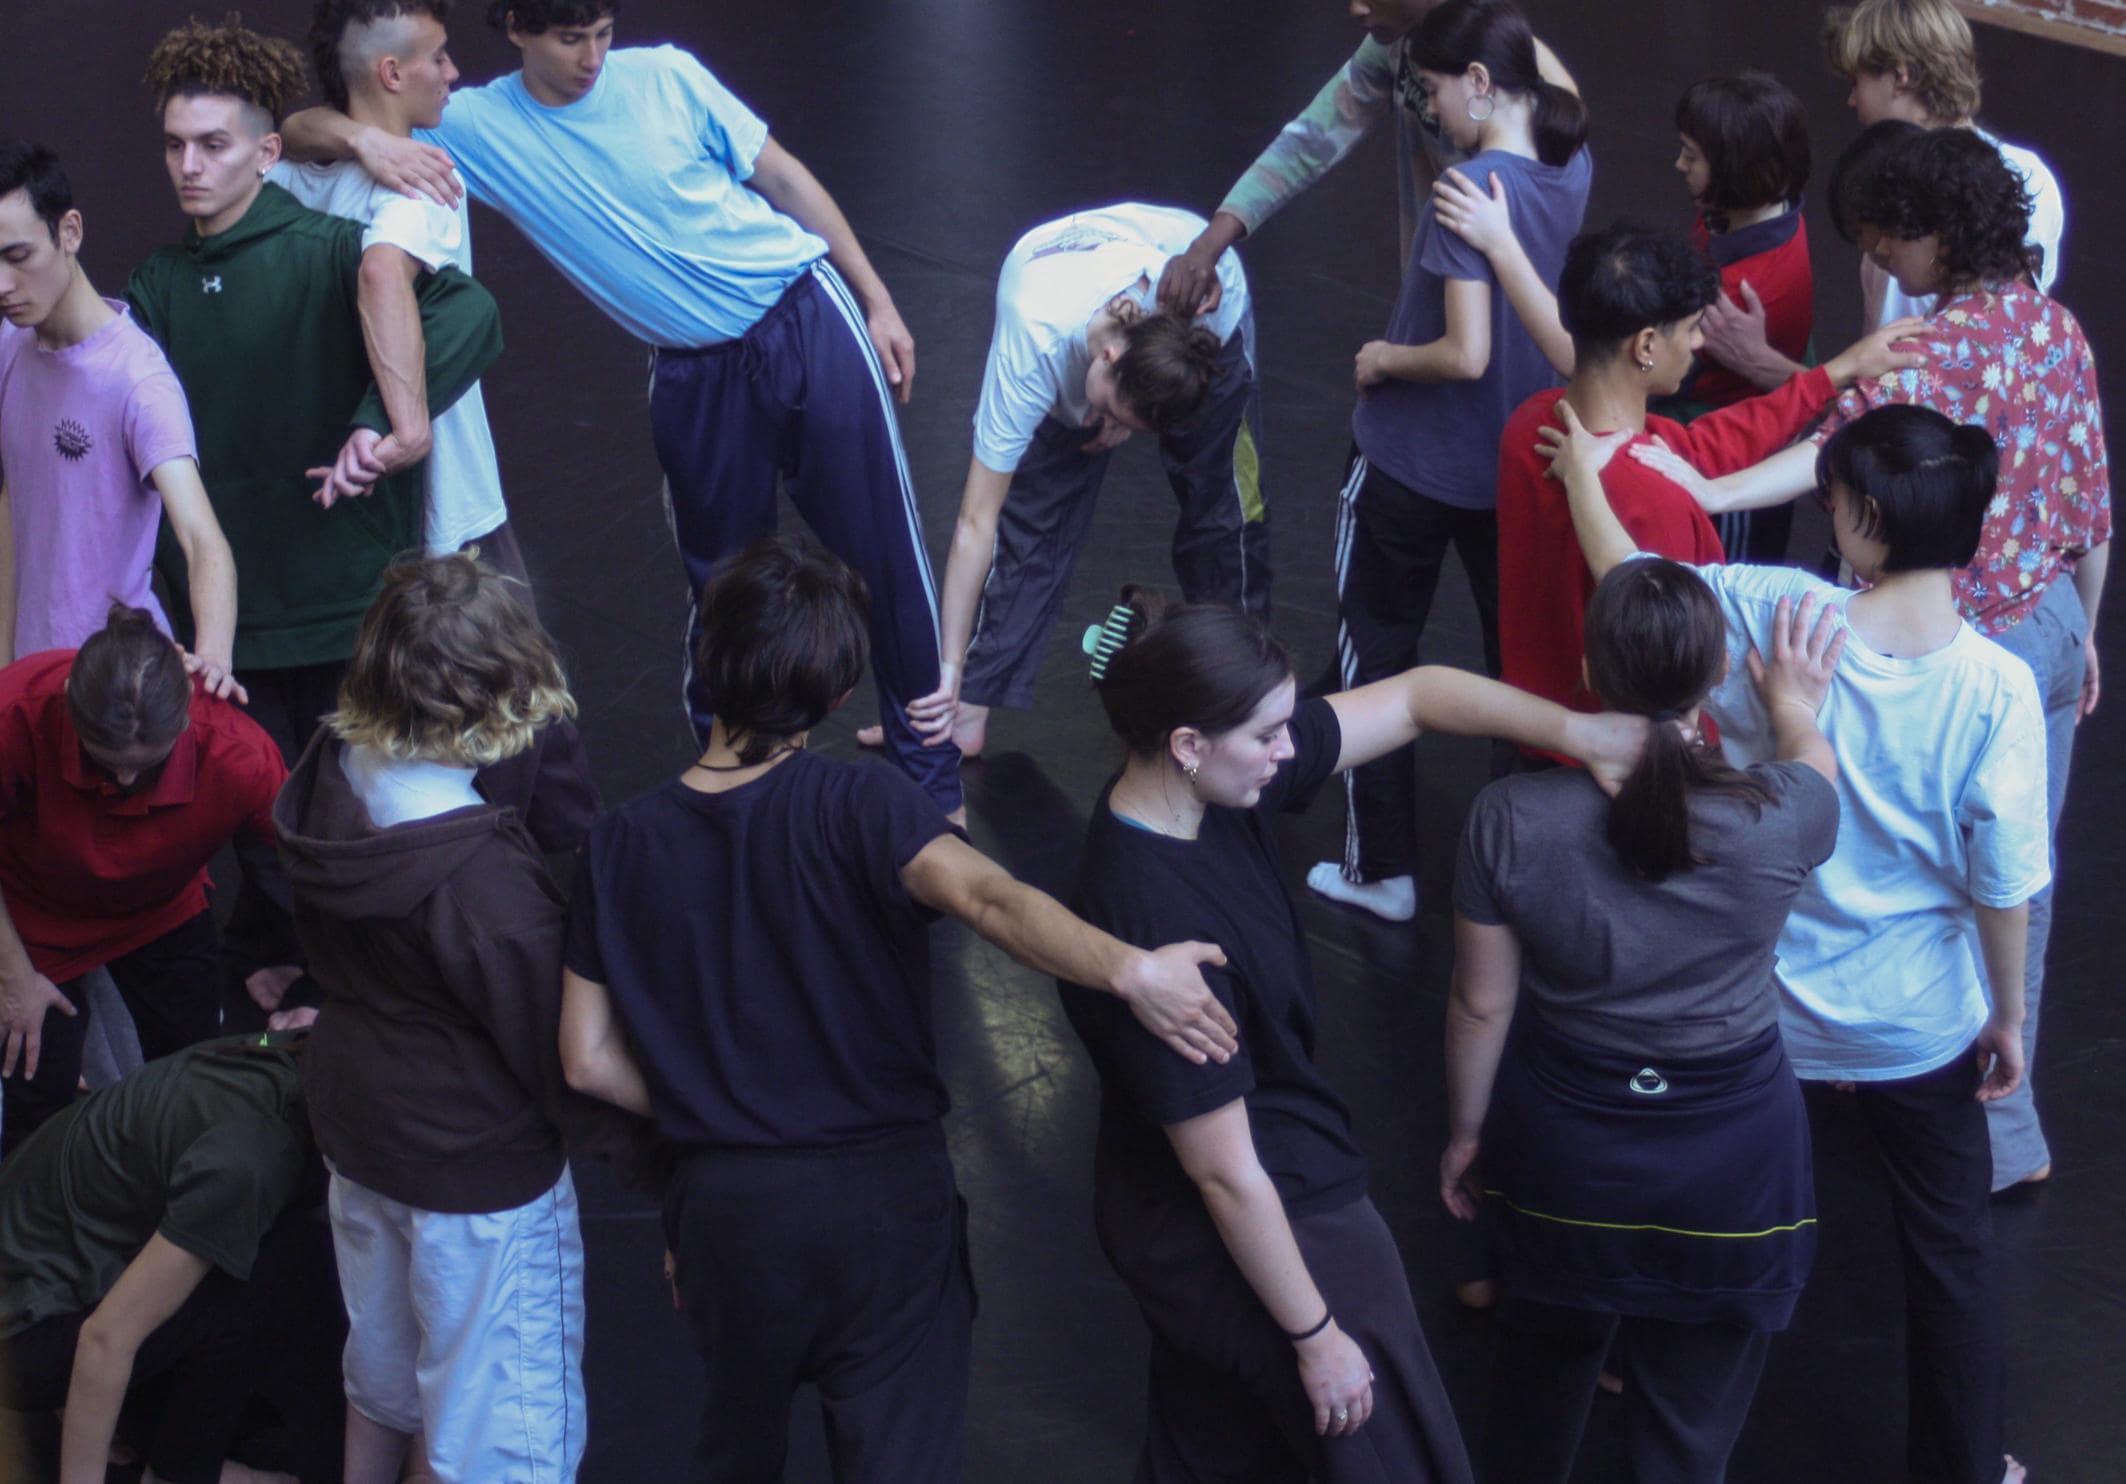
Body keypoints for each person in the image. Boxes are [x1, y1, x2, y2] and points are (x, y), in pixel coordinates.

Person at [557, 533, 1240, 1482]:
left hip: (725, 1210)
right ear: (840, 695)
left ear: (704, 661)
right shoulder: (863, 805)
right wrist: (1131, 970)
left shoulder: (618, 845)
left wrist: (716, 1110)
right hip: (881, 1207)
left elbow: (585, 1059)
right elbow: (991, 898)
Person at [282, 0, 962, 819]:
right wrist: (365, 138)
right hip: (693, 374)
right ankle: (741, 783)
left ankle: (933, 780)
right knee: (722, 584)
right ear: (518, 31)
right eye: (571, 38)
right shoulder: (468, 122)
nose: (593, 56)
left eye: (602, 33)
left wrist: (877, 298)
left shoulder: (668, 74)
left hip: (804, 316)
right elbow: (294, 131)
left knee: (880, 550)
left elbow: (780, 176)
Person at [1551, 401, 2046, 1484]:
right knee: (1950, 1252)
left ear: (1864, 518)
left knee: (1699, 1207)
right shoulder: (1996, 688)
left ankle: (1638, 1371)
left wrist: (1585, 472)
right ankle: (1964, 1465)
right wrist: (2003, 1015)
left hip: (1757, 1016)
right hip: (1915, 1029)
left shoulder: (1774, 610)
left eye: (1832, 495)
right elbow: (2002, 882)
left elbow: (1632, 583)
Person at [1058, 587, 1647, 1481]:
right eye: (1268, 736)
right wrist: (1318, 1332)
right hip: (1276, 1226)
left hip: (1205, 1212)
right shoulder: (1159, 923)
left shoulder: (1207, 785)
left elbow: (1418, 697)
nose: (1290, 754)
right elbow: (1224, 1170)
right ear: (1187, 744)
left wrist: (1584, 735)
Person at [1641, 127, 2109, 1191]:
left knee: (1887, 854)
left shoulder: (1928, 351)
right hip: (2040, 636)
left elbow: (1825, 453)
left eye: (1885, 243)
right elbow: (2089, 511)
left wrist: (1703, 492)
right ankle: (2006, 1128)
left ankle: (1863, 1053)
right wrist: (2086, 638)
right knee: (2014, 879)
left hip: (1944, 639)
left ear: (1928, 232)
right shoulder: (2053, 325)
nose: (1880, 264)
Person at [1443, 560, 1841, 1482]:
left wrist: (1467, 1135)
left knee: (1532, 1409)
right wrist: (1794, 700)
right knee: (1688, 1442)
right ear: (1713, 678)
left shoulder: (1507, 818)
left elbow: (1481, 1002)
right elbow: (1812, 769)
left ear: (1588, 668)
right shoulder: (1780, 818)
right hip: (1733, 1171)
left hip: (1560, 1155)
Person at [274, 553, 630, 1484]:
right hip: (475, 1177)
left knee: (386, 1381)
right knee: (499, 1444)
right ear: (491, 702)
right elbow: (562, 1057)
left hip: (360, 1134)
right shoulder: (484, 886)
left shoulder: (328, 774)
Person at [129, 15, 503, 769]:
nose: (189, 167)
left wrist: (377, 422)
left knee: (369, 812)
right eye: (175, 146)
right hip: (232, 625)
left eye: (212, 145)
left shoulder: (331, 248)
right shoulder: (157, 285)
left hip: (349, 613)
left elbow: (470, 310)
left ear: (264, 155)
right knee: (267, 840)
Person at [1311, 0, 1591, 922]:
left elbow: (1462, 354)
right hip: (1510, 465)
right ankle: (1529, 860)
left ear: (1478, 82)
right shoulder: (1570, 166)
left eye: (1433, 90)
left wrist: (1382, 358)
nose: (1427, 110)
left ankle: (1378, 866)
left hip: (1410, 464)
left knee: (1375, 652)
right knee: (1521, 655)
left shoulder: (1465, 195)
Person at [1491, 220, 1920, 753]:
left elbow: (1698, 447)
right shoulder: (1654, 496)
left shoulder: (1530, 425)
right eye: (1692, 327)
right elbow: (1682, 664)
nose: (1699, 342)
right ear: (1646, 344)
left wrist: (1835, 372)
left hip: (1531, 728)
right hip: (1625, 760)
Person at [895, 202, 1268, 759]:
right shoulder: (1034, 346)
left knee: (1220, 515)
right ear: (1108, 356)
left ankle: (1246, 700)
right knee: (1033, 521)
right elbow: (977, 523)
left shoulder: (1199, 308)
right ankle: (969, 706)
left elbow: (1145, 388)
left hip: (1207, 304)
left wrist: (1122, 416)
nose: (1109, 428)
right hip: (1068, 284)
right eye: (1111, 412)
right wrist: (949, 670)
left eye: (1126, 425)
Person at [0, 605, 289, 1155]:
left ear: (183, 721)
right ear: (67, 702)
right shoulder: (15, 711)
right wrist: (12, 979)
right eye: (107, 762)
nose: (128, 779)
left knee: (197, 1071)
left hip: (161, 907)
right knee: (35, 1091)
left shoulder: (238, 751)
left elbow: (313, 859)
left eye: (146, 764)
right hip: (31, 922)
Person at [0, 1034, 341, 1484]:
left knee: (279, 1246)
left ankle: (135, 1423)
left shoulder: (284, 1049)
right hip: (21, 1337)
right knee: (259, 1274)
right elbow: (105, 1340)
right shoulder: (250, 1159)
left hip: (46, 1262)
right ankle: (179, 1470)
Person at [274, 0, 526, 585]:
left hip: (345, 511)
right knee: (515, 676)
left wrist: (357, 136)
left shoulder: (285, 180)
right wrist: (410, 429)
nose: (453, 72)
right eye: (438, 58)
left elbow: (290, 133)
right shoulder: (427, 183)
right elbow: (383, 272)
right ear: (391, 73)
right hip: (449, 509)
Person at [1698, 0, 2065, 384]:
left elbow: (1889, 405)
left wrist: (1760, 362)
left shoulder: (1909, 215)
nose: (1852, 100)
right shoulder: (2035, 176)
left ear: (1900, 77)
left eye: (1857, 82)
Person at [0, 139, 240, 694]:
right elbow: (15, 499)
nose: (4, 285)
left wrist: (214, 664)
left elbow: (203, 539)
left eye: (18, 258)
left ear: (70, 233)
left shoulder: (137, 379)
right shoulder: (12, 346)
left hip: (116, 697)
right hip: (30, 685)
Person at [1154, 0, 1576, 310]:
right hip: (1434, 291)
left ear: (1479, 82)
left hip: (1503, 307)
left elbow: (1549, 204)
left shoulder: (1520, 74)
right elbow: (1310, 140)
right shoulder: (1398, 45)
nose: (1355, 9)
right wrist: (1208, 245)